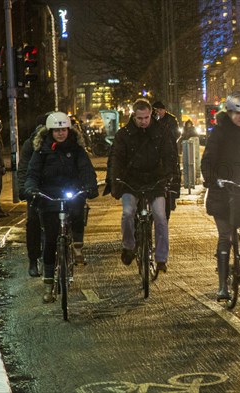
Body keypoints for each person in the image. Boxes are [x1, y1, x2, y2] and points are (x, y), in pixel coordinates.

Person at [24, 112, 98, 302]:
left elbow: (86, 170)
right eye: (57, 130)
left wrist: (90, 186)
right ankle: (48, 286)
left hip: (72, 192)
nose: (60, 133)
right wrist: (31, 189)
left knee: (79, 208)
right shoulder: (41, 151)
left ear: (68, 130)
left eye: (63, 129)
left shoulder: (77, 149)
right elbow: (32, 173)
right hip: (49, 197)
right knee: (50, 239)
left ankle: (77, 247)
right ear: (50, 131)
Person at [201, 92, 240, 301]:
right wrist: (213, 180)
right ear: (229, 112)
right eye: (237, 113)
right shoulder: (219, 133)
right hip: (222, 192)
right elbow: (208, 161)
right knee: (226, 236)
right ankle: (222, 286)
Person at [111, 99, 179, 273]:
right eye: (140, 118)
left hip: (155, 180)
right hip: (131, 181)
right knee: (127, 213)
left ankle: (162, 258)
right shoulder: (124, 134)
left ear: (151, 115)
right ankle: (129, 246)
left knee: (160, 217)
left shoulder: (161, 132)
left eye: (146, 117)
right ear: (134, 116)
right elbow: (117, 159)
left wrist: (170, 176)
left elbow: (170, 156)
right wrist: (116, 180)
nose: (143, 121)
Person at [18, 113, 49, 277]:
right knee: (33, 223)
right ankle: (33, 259)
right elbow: (23, 169)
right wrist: (24, 190)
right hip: (36, 189)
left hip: (56, 188)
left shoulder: (65, 142)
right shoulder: (31, 145)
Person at [151, 101, 182, 219]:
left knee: (170, 180)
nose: (158, 112)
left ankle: (171, 200)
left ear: (163, 110)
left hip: (169, 152)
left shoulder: (170, 120)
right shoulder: (153, 121)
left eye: (159, 110)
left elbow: (176, 134)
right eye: (156, 110)